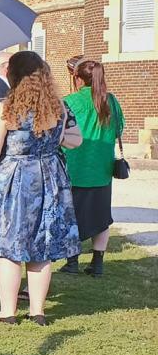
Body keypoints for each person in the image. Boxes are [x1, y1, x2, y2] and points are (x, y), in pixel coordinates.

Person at [0, 52, 81, 323]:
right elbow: (69, 140)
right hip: (50, 179)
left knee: (8, 246)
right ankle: (37, 311)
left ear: (12, 75)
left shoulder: (4, 109)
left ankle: (8, 311)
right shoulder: (59, 109)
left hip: (14, 180)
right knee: (41, 245)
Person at [61, 59, 125, 277]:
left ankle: (72, 262)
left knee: (72, 215)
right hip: (102, 168)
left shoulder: (70, 101)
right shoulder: (112, 101)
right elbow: (120, 129)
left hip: (75, 167)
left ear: (77, 78)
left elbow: (59, 132)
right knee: (101, 216)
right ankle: (97, 263)